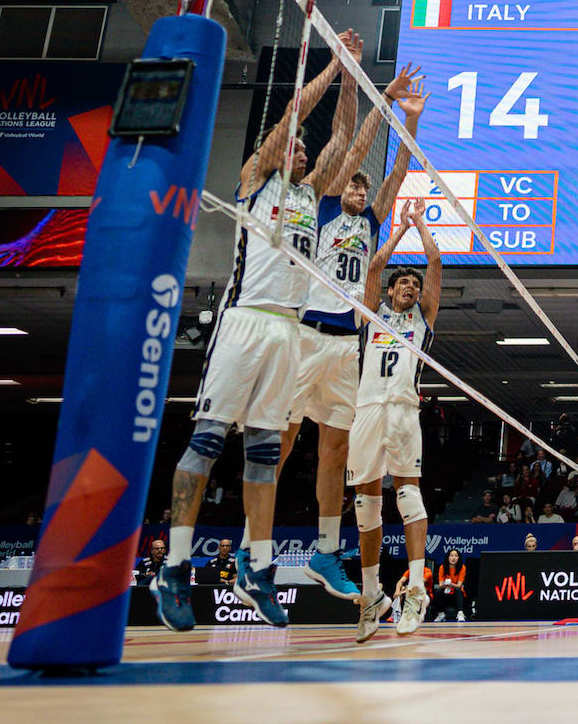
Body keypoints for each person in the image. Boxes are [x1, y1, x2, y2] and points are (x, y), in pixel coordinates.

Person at [151, 38, 355, 632]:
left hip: (289, 332)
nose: (301, 147)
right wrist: (332, 67)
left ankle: (258, 569)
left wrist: (354, 83)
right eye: (292, 145)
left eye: (302, 149)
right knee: (210, 440)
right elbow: (291, 118)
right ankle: (176, 566)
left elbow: (341, 142)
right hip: (245, 321)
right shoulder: (254, 180)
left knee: (266, 454)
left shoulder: (312, 195)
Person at [273, 66, 424, 601]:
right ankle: (254, 547)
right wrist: (380, 98)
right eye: (355, 185)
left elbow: (398, 172)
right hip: (306, 333)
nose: (360, 189)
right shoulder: (325, 206)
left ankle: (324, 550)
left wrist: (411, 124)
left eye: (363, 186)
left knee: (335, 450)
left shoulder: (372, 221)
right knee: (283, 439)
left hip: (345, 345)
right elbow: (353, 148)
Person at [351, 198, 442, 642]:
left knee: (408, 496)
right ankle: (372, 597)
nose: (408, 286)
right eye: (402, 282)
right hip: (367, 409)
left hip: (404, 410)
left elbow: (437, 261)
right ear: (390, 292)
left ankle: (417, 589)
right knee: (366, 504)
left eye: (413, 283)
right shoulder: (373, 314)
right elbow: (373, 267)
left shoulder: (421, 319)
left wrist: (420, 223)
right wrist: (399, 232)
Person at [433, 549, 468, 621]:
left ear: (459, 558)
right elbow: (440, 584)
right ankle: (441, 614)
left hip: (457, 593)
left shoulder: (462, 567)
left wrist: (450, 584)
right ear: (448, 557)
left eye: (456, 556)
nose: (453, 558)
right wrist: (446, 584)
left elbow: (459, 585)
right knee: (439, 591)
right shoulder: (442, 567)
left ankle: (460, 613)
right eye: (451, 556)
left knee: (458, 590)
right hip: (445, 592)